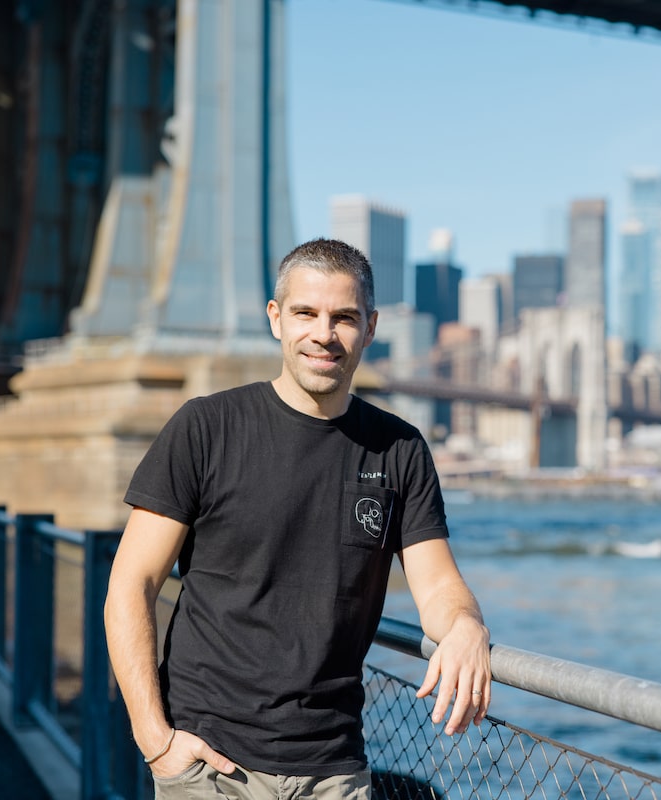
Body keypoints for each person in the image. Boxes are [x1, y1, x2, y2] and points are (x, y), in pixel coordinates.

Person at [104, 238, 492, 799]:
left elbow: (438, 587)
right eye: (305, 313)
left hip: (334, 769)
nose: (323, 334)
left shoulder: (400, 449)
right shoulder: (205, 428)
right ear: (275, 318)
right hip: (210, 766)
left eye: (344, 318)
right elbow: (131, 584)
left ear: (371, 327)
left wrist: (467, 628)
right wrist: (156, 742)